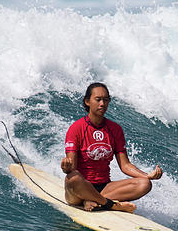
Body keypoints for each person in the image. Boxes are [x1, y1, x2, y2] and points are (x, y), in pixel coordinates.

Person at [61, 82, 163, 212]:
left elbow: (125, 165)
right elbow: (72, 168)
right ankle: (111, 205)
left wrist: (147, 175)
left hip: (105, 188)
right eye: (98, 100)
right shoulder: (76, 128)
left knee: (145, 184)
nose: (102, 104)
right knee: (73, 177)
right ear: (87, 101)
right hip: (80, 189)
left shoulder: (115, 129)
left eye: (106, 100)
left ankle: (93, 200)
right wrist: (66, 168)